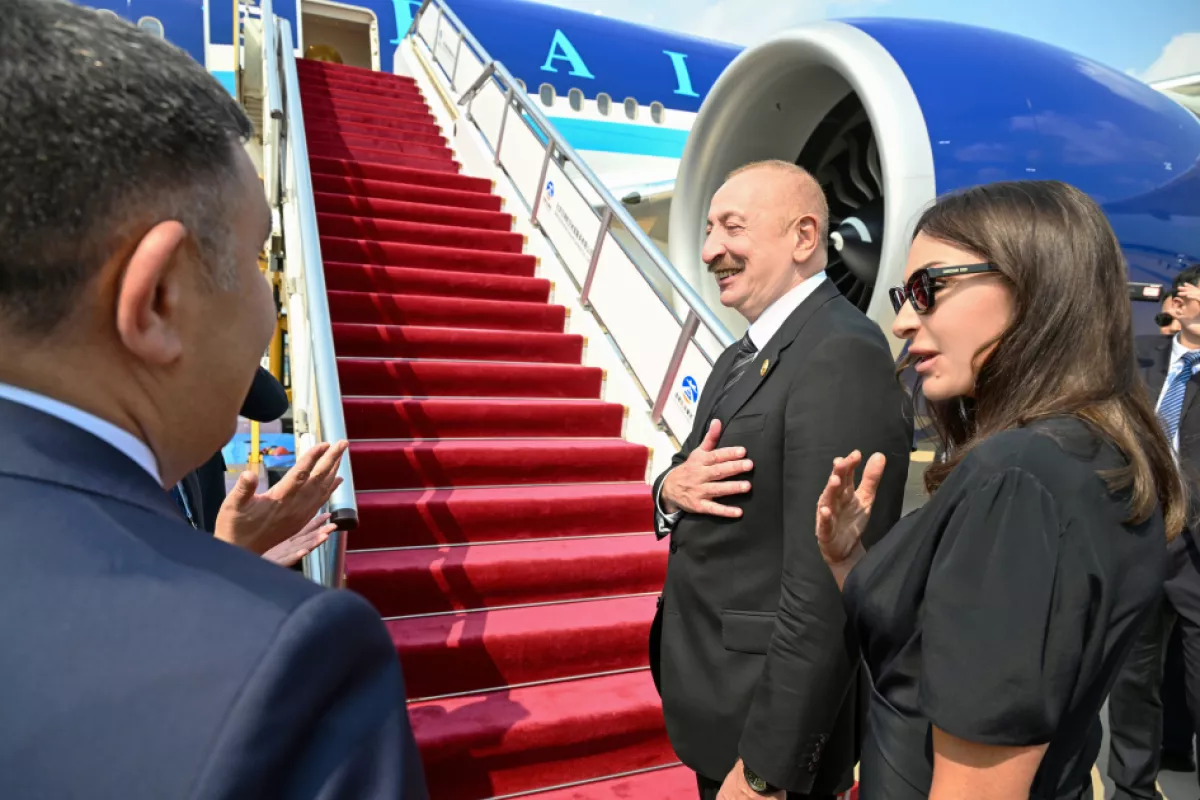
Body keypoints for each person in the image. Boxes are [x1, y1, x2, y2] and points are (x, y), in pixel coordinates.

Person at [0, 2, 427, 797]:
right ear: (160, 298)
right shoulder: (288, 664)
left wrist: (218, 563)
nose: (270, 303)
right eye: (261, 256)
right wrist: (225, 595)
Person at [813, 180, 1182, 799]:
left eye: (928, 288)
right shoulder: (1093, 453)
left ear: (1032, 282)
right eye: (904, 295)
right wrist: (848, 561)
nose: (902, 320)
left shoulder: (1018, 477)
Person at [649, 160, 913, 800]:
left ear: (803, 237)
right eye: (709, 230)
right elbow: (687, 466)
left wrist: (768, 768)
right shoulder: (740, 354)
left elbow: (826, 585)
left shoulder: (840, 351)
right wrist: (668, 490)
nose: (710, 250)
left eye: (732, 228)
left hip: (767, 729)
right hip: (718, 697)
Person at [1108, 266, 1200, 799]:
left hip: (1195, 545)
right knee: (1133, 678)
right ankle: (1132, 789)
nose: (1181, 298)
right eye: (1181, 292)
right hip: (1140, 534)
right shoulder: (1137, 358)